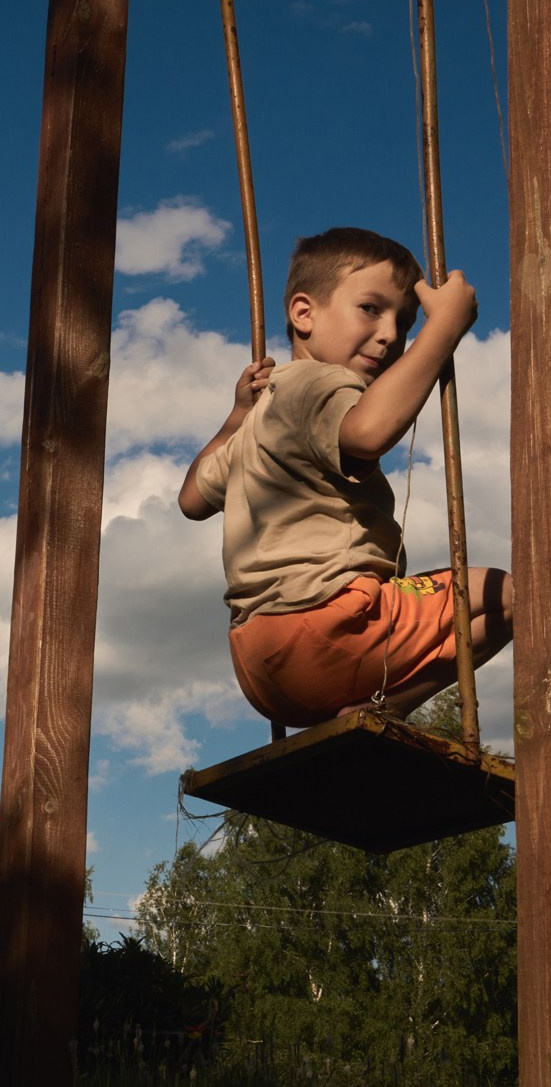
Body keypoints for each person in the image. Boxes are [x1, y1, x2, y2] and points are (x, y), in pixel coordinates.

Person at [178, 227, 511, 727]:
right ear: (304, 314)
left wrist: (236, 417)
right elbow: (368, 434)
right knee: (508, 596)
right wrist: (443, 329)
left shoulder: (264, 417)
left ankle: (372, 705)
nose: (391, 334)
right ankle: (388, 708)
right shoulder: (320, 381)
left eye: (405, 322)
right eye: (371, 309)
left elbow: (192, 500)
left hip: (259, 664)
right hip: (329, 625)